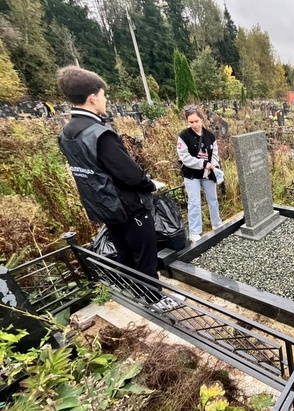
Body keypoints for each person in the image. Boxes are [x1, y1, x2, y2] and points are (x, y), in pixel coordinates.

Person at [56, 65, 176, 311]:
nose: (105, 99)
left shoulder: (67, 133)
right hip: (128, 206)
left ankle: (136, 293)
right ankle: (155, 300)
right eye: (103, 95)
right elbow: (130, 175)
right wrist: (150, 183)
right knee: (144, 253)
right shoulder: (99, 134)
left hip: (103, 205)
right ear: (92, 98)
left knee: (124, 252)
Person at [177, 105, 223, 242]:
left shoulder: (210, 136)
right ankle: (195, 231)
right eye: (191, 122)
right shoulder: (183, 136)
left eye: (196, 121)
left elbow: (215, 154)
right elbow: (184, 157)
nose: (194, 125)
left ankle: (217, 223)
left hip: (208, 173)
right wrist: (202, 164)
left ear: (202, 119)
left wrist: (212, 165)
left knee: (213, 199)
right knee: (194, 202)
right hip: (192, 175)